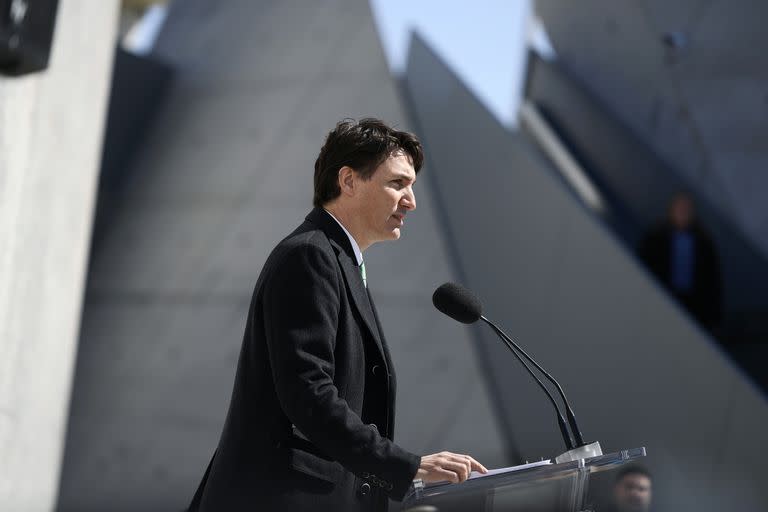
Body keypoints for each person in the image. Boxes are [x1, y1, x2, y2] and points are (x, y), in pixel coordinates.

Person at [187, 118, 486, 512]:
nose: (411, 200)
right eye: (397, 183)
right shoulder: (311, 255)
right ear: (348, 181)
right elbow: (308, 392)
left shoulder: (339, 261)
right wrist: (406, 465)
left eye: (411, 186)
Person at [638, 192, 722, 331]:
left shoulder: (703, 241)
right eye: (679, 209)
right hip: (663, 297)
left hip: (694, 302)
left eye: (686, 210)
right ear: (671, 211)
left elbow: (712, 278)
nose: (682, 213)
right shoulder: (656, 237)